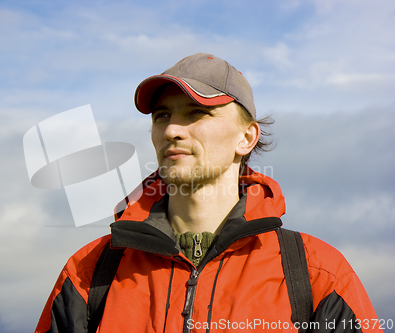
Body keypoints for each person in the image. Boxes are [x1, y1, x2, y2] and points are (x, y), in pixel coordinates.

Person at [34, 53, 381, 333]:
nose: (171, 129)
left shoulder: (317, 275)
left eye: (196, 113)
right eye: (161, 116)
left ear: (246, 138)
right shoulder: (88, 272)